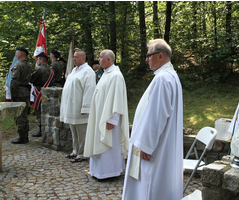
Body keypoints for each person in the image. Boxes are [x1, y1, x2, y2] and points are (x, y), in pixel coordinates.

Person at [122, 39, 183, 200]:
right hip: (164, 143)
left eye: (149, 55)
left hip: (154, 149)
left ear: (160, 56)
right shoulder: (170, 75)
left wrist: (145, 145)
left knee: (149, 186)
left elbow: (156, 116)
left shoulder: (163, 79)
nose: (147, 59)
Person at [84, 50, 129, 180]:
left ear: (108, 60)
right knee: (98, 143)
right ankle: (98, 171)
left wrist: (112, 120)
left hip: (108, 120)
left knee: (108, 147)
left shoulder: (115, 76)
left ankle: (109, 172)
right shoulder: (106, 74)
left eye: (100, 57)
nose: (98, 59)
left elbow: (116, 99)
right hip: (100, 117)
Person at [60, 49, 96, 163]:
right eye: (74, 57)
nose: (74, 59)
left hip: (80, 107)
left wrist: (86, 107)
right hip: (71, 106)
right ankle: (75, 150)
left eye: (76, 57)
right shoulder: (74, 70)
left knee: (82, 132)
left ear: (83, 58)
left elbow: (89, 90)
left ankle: (82, 153)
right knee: (74, 131)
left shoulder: (88, 71)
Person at [10, 47, 32, 144]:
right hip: (25, 91)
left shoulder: (18, 66)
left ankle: (22, 136)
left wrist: (12, 94)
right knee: (24, 113)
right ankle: (25, 134)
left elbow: (14, 81)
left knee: (19, 114)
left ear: (20, 54)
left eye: (16, 52)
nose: (15, 54)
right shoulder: (28, 65)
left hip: (18, 92)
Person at [30, 53, 53, 137]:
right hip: (47, 92)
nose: (37, 61)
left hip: (39, 92)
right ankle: (47, 127)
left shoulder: (39, 70)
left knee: (39, 111)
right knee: (47, 111)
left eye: (38, 59)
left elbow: (32, 79)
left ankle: (41, 129)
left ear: (42, 60)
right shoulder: (50, 70)